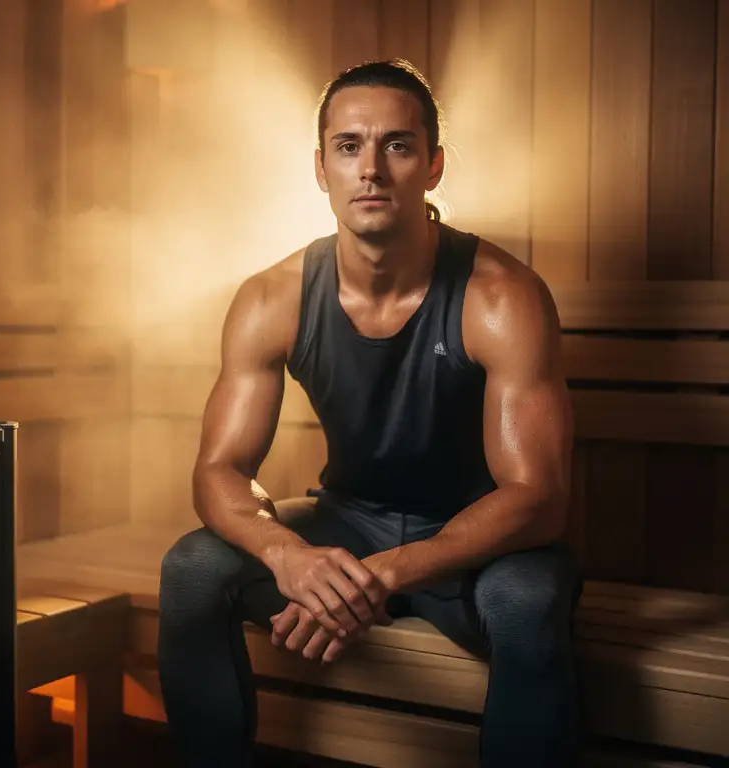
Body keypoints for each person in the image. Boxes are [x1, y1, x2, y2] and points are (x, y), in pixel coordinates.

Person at [156, 59, 581, 767]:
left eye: (398, 145)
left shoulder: (503, 297)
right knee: (193, 569)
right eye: (349, 146)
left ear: (434, 166)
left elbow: (536, 500)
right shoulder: (272, 297)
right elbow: (219, 471)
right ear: (321, 169)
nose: (372, 169)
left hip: (479, 543)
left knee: (527, 605)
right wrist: (288, 555)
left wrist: (384, 574)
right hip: (349, 518)